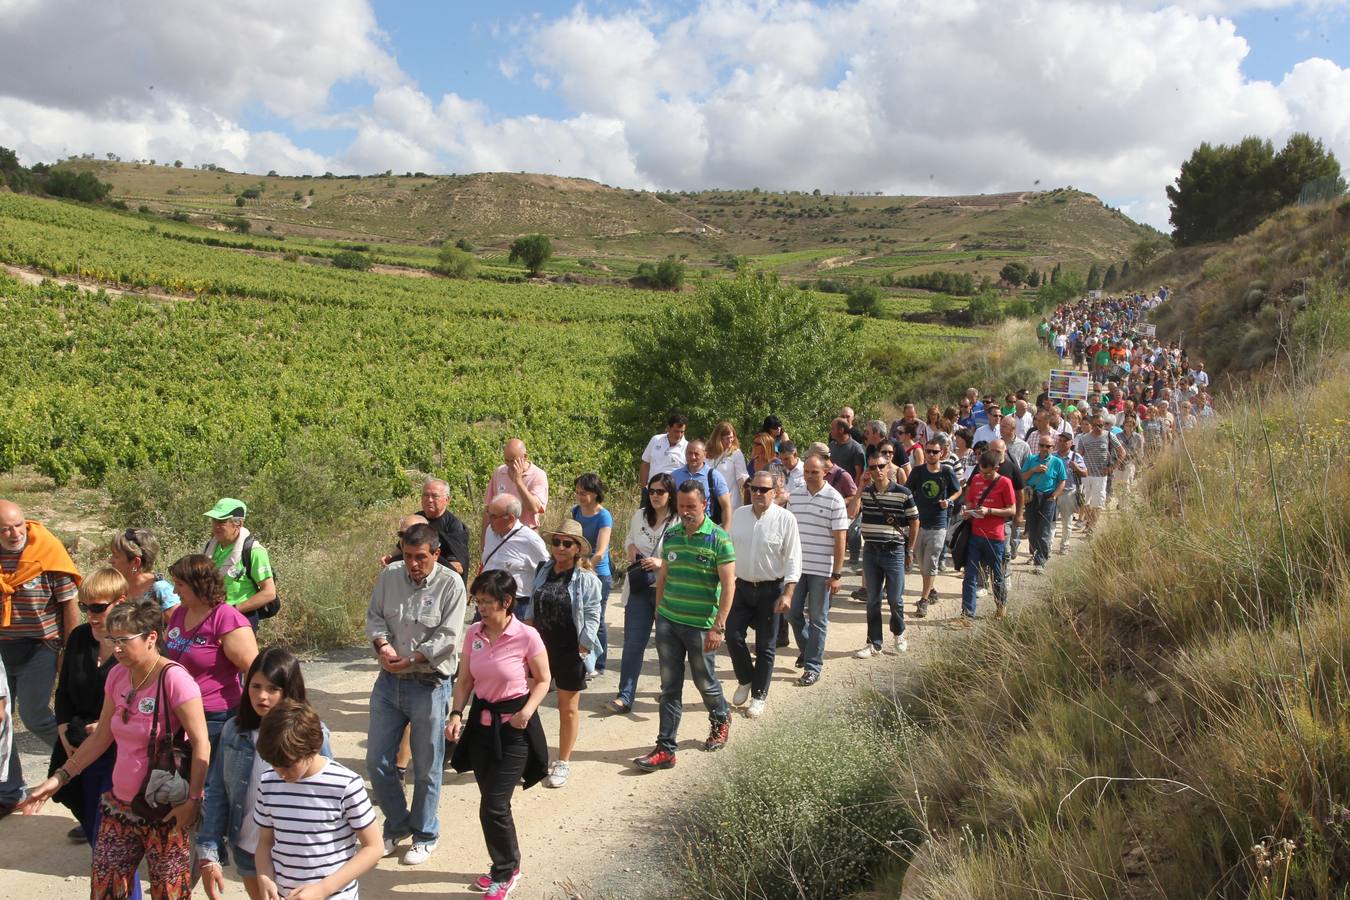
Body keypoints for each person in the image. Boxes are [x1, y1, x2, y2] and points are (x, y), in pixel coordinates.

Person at [21, 596, 211, 900]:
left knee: (169, 893)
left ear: (151, 638)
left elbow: (201, 744)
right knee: (106, 891)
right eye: (112, 639)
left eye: (124, 640)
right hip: (118, 807)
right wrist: (59, 779)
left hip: (164, 811)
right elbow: (101, 737)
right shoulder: (118, 675)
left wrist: (193, 800)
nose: (116, 647)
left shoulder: (175, 679)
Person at [364, 522, 466, 865]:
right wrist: (383, 646)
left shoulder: (451, 584)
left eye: (420, 557)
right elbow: (375, 617)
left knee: (426, 766)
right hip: (389, 682)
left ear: (436, 554)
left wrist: (412, 658)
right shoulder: (389, 577)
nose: (412, 563)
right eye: (407, 556)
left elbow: (448, 636)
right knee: (376, 760)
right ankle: (397, 824)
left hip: (429, 684)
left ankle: (425, 833)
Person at [447, 570, 551, 900]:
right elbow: (464, 681)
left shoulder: (527, 636)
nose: (480, 608)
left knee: (492, 805)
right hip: (481, 728)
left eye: (486, 602)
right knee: (495, 804)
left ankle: (505, 873)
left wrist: (526, 711)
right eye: (477, 601)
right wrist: (455, 714)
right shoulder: (473, 634)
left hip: (515, 730)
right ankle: (507, 864)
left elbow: (544, 679)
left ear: (507, 603)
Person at [198, 648, 331, 900]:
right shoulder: (233, 731)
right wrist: (209, 850)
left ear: (289, 691)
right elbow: (217, 792)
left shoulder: (316, 733)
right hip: (249, 848)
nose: (262, 696)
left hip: (299, 854)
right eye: (255, 686)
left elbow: (328, 796)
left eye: (272, 689)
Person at [632, 480, 735, 772]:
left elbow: (729, 586)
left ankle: (720, 717)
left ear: (705, 505)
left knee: (705, 681)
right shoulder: (673, 535)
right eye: (681, 506)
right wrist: (661, 613)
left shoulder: (718, 539)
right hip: (669, 623)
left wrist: (719, 627)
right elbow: (664, 575)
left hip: (701, 626)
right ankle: (666, 749)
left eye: (692, 506)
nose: (686, 512)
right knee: (669, 687)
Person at [46, 568, 141, 881]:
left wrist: (105, 724)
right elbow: (63, 691)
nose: (92, 615)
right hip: (76, 748)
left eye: (99, 607)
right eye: (86, 607)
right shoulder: (78, 638)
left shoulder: (135, 645)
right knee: (88, 819)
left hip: (117, 753)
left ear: (121, 601)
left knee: (111, 839)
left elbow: (146, 702)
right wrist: (61, 728)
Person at [0, 500, 81, 815]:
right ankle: (10, 790)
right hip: (3, 648)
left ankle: (78, 761)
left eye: (18, 525)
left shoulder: (46, 550)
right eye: (5, 529)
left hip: (40, 645)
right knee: (2, 720)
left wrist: (70, 651)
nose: (14, 533)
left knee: (34, 715)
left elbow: (69, 603)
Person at [253, 700, 381, 900]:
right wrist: (265, 876)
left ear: (312, 748)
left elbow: (374, 847)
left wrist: (324, 889)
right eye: (274, 764)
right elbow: (264, 843)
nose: (280, 773)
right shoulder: (268, 782)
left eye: (287, 765)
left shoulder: (345, 785)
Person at [526, 519, 601, 789]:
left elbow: (593, 614)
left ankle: (563, 761)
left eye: (566, 543)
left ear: (577, 548)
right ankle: (532, 757)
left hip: (570, 649)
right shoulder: (543, 570)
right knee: (527, 702)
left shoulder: (586, 579)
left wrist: (585, 645)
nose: (559, 547)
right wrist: (525, 639)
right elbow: (532, 607)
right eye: (556, 542)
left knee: (567, 708)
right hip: (540, 648)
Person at [725, 470, 800, 719]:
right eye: (753, 488)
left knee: (765, 646)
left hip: (771, 589)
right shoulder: (739, 515)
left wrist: (788, 593)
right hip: (742, 586)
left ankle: (758, 696)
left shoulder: (785, 519)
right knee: (732, 635)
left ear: (775, 492)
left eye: (763, 490)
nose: (757, 493)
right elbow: (728, 552)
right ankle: (746, 678)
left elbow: (793, 559)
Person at [609, 473, 676, 714]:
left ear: (670, 495)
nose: (655, 495)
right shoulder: (639, 515)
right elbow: (629, 537)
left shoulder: (678, 520)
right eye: (652, 491)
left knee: (666, 645)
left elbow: (684, 553)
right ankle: (625, 695)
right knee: (633, 644)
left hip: (666, 589)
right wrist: (630, 548)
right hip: (639, 587)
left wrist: (661, 563)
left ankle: (669, 691)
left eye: (661, 491)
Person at [787, 454, 848, 686]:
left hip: (823, 569)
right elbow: (789, 532)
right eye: (807, 471)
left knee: (818, 618)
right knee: (791, 613)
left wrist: (837, 574)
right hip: (797, 567)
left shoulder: (834, 499)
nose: (810, 475)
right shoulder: (796, 497)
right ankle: (808, 649)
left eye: (815, 471)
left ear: (825, 472)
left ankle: (813, 666)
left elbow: (840, 539)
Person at [853, 449, 919, 658]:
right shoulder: (865, 491)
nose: (877, 471)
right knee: (872, 599)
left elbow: (914, 521)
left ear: (888, 467)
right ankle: (874, 642)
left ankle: (899, 632)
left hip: (894, 551)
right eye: (872, 467)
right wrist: (860, 487)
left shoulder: (903, 492)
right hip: (871, 550)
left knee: (895, 598)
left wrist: (910, 549)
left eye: (881, 466)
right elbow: (851, 513)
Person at [953, 450, 1017, 626]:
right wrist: (968, 510)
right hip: (975, 534)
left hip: (995, 537)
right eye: (982, 471)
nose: (984, 476)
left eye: (988, 473)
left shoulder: (1005, 483)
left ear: (997, 468)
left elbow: (1011, 509)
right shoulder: (976, 479)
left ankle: (1001, 607)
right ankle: (967, 613)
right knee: (970, 575)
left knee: (997, 574)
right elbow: (969, 500)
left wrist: (990, 511)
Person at [906, 440, 961, 617]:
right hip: (920, 523)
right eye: (928, 451)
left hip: (938, 524)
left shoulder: (947, 472)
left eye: (934, 452)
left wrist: (949, 501)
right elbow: (907, 491)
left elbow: (958, 490)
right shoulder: (918, 472)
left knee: (931, 561)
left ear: (942, 454)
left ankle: (923, 600)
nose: (930, 454)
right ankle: (931, 589)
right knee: (921, 562)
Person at [202, 499, 277, 627]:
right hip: (211, 617)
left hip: (240, 618)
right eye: (214, 521)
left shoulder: (253, 551)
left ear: (239, 523)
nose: (216, 526)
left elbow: (269, 593)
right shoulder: (210, 547)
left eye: (222, 521)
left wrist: (234, 610)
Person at [570, 473, 613, 677]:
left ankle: (599, 662)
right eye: (577, 492)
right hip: (578, 570)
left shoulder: (604, 516)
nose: (579, 496)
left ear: (595, 494)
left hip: (598, 573)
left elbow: (600, 551)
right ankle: (581, 658)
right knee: (578, 616)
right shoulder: (575, 511)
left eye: (584, 493)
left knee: (597, 617)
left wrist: (586, 567)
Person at [479, 495, 550, 620]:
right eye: (488, 514)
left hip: (516, 606)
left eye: (494, 516)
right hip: (486, 600)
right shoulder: (490, 531)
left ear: (511, 518)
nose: (489, 520)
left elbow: (546, 570)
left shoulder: (530, 540)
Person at [396, 479, 470, 574]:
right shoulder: (416, 518)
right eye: (426, 495)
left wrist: (428, 563)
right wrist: (389, 558)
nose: (429, 500)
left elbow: (458, 567)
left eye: (435, 496)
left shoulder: (454, 526)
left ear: (447, 500)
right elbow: (401, 548)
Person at [481, 438, 549, 539]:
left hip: (526, 535)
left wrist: (519, 482)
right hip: (500, 535)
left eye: (513, 461)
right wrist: (484, 539)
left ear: (525, 457)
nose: (509, 465)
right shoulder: (499, 472)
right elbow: (488, 509)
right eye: (506, 460)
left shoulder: (538, 475)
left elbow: (534, 508)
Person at [1021, 434, 1068, 573]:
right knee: (1032, 529)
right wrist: (1033, 470)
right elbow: (1022, 476)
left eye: (1047, 446)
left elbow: (1062, 481)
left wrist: (1054, 496)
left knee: (1044, 530)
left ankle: (1040, 561)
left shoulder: (1057, 462)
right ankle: (1035, 553)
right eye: (1041, 445)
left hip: (1048, 497)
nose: (1044, 448)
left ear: (1052, 448)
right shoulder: (1031, 459)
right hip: (1032, 497)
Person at [1075, 413, 1126, 535]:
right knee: (1085, 501)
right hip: (1086, 475)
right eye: (1096, 425)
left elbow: (1122, 452)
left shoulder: (1109, 436)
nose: (1098, 427)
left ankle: (1091, 526)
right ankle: (1089, 523)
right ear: (1092, 425)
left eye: (1101, 425)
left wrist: (1113, 467)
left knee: (1098, 502)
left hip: (1101, 476)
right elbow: (1079, 456)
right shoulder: (1084, 439)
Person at [109, 528, 180, 613]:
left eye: (116, 556)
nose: (110, 561)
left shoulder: (161, 591)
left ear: (136, 562)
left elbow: (179, 625)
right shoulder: (117, 588)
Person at [672, 440, 733, 526]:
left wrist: (725, 533)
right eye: (689, 453)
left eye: (696, 454)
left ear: (704, 455)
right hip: (679, 527)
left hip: (706, 528)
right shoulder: (675, 476)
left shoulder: (714, 476)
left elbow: (726, 506)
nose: (692, 457)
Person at [1055, 432, 1089, 554]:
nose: (1062, 443)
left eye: (1065, 441)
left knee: (1066, 522)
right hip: (1053, 493)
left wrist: (1076, 468)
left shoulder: (1076, 457)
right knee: (1051, 522)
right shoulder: (1053, 456)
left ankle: (1064, 546)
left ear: (1071, 443)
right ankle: (1047, 547)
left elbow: (1085, 473)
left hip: (1068, 493)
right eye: (1060, 440)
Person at [707, 421, 749, 512]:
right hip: (710, 503)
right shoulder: (708, 453)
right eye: (727, 438)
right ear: (718, 438)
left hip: (731, 502)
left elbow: (742, 477)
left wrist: (749, 484)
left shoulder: (736, 453)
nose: (730, 440)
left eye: (732, 437)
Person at [638, 413, 689, 487]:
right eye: (676, 431)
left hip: (673, 492)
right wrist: (643, 488)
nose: (679, 435)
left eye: (682, 432)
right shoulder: (656, 440)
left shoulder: (688, 447)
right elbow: (645, 463)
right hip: (651, 490)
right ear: (668, 428)